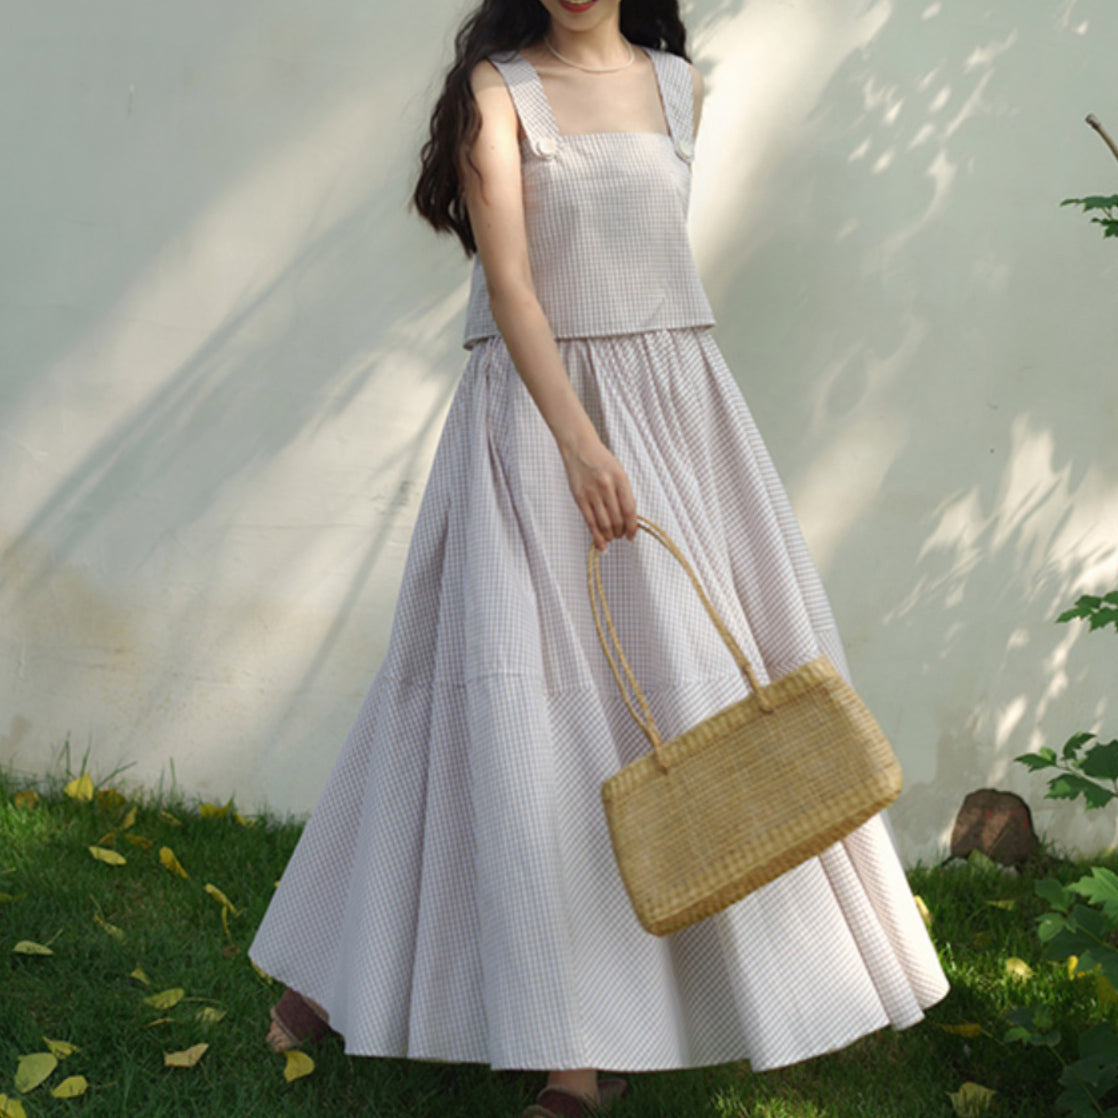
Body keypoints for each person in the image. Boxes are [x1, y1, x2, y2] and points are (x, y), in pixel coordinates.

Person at [247, 0, 950, 1114]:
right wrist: (579, 442)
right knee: (496, 708)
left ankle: (672, 997)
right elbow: (513, 286)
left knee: (686, 702)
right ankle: (548, 1036)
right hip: (534, 424)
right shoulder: (495, 90)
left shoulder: (679, 86)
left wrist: (631, 436)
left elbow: (645, 262)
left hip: (676, 412)